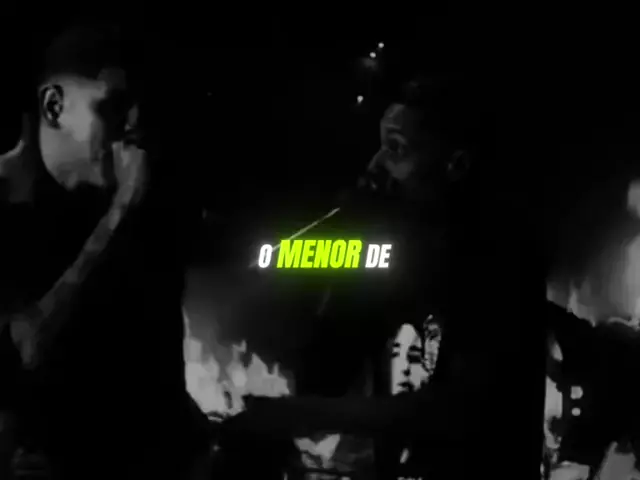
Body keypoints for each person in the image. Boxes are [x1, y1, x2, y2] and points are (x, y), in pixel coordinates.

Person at [222, 74, 547, 479]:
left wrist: (303, 412)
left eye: (396, 149)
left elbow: (459, 410)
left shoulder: (500, 258)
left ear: (456, 165)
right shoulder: (396, 258)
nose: (375, 165)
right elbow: (324, 375)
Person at [0, 24, 208, 479]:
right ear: (54, 107)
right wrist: (120, 216)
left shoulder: (144, 210)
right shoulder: (11, 210)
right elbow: (23, 350)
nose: (134, 126)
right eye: (115, 106)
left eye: (140, 108)